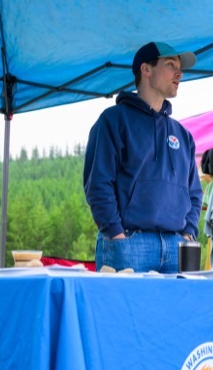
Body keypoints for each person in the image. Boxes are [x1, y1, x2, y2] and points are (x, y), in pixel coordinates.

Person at [83, 41, 203, 273]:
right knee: (121, 300)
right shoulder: (113, 121)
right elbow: (98, 183)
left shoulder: (183, 135)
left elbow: (194, 193)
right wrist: (115, 233)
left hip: (176, 245)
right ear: (146, 69)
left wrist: (188, 233)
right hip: (128, 242)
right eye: (171, 65)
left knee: (179, 301)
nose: (179, 73)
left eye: (180, 68)